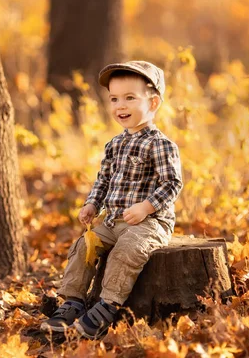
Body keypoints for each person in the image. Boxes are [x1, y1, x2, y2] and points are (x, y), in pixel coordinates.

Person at [40, 61, 183, 339]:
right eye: (115, 99)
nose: (121, 106)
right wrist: (92, 204)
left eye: (130, 98)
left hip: (149, 223)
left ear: (153, 103)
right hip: (114, 219)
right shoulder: (114, 144)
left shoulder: (161, 144)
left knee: (126, 251)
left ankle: (107, 305)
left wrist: (146, 207)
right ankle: (73, 301)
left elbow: (172, 183)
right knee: (84, 247)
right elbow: (103, 181)